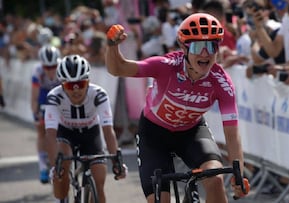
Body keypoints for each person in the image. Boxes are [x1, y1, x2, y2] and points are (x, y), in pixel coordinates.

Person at [105, 13, 250, 203]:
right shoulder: (166, 66)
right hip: (153, 135)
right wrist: (112, 46)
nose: (205, 53)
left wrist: (238, 174)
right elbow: (118, 68)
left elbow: (232, 132)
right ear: (184, 47)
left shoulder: (221, 83)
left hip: (191, 133)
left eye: (211, 46)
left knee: (215, 180)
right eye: (198, 46)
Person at [44, 55, 127, 203]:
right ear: (62, 85)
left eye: (81, 84)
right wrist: (54, 166)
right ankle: (62, 197)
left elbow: (108, 131)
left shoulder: (99, 95)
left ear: (88, 81)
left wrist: (116, 161)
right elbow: (50, 135)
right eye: (70, 86)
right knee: (61, 173)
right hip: (66, 133)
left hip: (90, 133)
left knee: (99, 183)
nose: (76, 91)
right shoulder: (54, 97)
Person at [31, 45, 61, 183]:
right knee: (41, 131)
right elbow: (34, 97)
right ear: (42, 65)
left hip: (59, 94)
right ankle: (43, 166)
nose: (50, 70)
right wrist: (35, 113)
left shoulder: (62, 69)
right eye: (47, 67)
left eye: (53, 66)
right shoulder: (37, 71)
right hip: (44, 96)